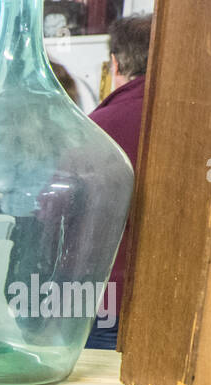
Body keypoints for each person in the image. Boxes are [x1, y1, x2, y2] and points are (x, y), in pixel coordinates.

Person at [85, 14, 153, 350]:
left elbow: (54, 214)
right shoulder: (206, 117)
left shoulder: (97, 129)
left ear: (115, 63)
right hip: (180, 302)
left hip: (105, 301)